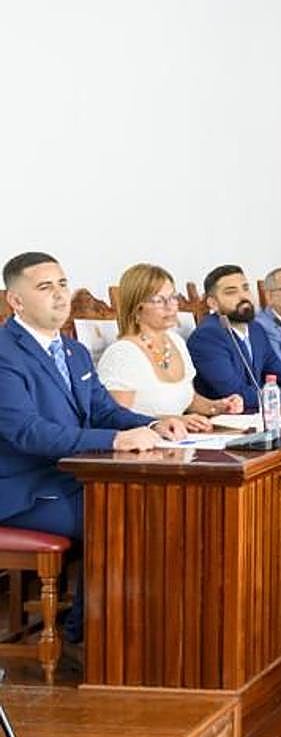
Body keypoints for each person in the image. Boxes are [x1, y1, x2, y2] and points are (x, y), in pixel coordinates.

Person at [0, 252, 187, 641]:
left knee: (154, 501)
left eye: (63, 284)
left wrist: (154, 425)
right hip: (24, 488)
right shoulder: (5, 353)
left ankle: (144, 628)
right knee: (116, 512)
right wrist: (117, 440)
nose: (59, 295)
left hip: (73, 477)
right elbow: (27, 432)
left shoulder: (73, 350)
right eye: (45, 287)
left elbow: (102, 410)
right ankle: (91, 637)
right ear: (16, 301)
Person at [98, 263, 242, 425]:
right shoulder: (122, 354)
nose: (170, 307)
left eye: (173, 297)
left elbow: (187, 398)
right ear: (136, 308)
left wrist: (217, 406)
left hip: (180, 439)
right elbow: (116, 418)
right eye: (159, 300)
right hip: (143, 444)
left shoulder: (176, 341)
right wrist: (171, 420)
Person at [188, 264, 281, 412]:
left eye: (246, 288)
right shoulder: (207, 337)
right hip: (223, 425)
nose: (243, 296)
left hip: (258, 417)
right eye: (231, 292)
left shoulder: (255, 329)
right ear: (213, 303)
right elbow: (234, 394)